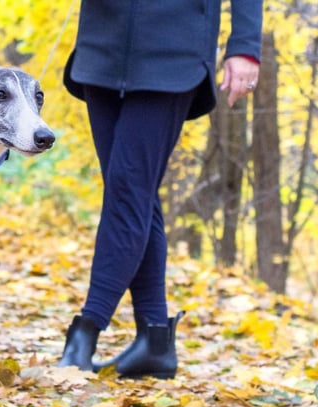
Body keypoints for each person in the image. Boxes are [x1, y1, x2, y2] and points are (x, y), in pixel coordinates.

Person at [58, 0, 263, 378]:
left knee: (128, 192)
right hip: (101, 47)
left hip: (174, 53)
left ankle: (85, 334)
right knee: (134, 195)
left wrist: (245, 46)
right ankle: (154, 341)